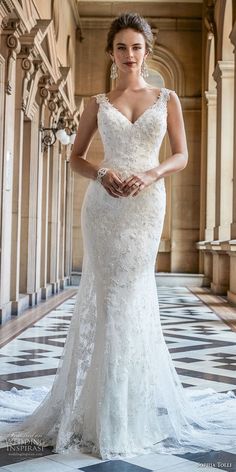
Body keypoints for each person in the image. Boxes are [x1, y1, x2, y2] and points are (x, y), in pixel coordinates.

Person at [0, 11, 236, 461]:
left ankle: (127, 409)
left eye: (137, 47)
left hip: (146, 207)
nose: (129, 55)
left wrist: (151, 173)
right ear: (111, 53)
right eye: (121, 47)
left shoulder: (166, 98)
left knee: (131, 299)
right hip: (104, 209)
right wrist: (103, 172)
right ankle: (100, 412)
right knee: (107, 301)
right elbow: (76, 159)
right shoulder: (96, 103)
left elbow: (182, 155)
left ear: (147, 51)